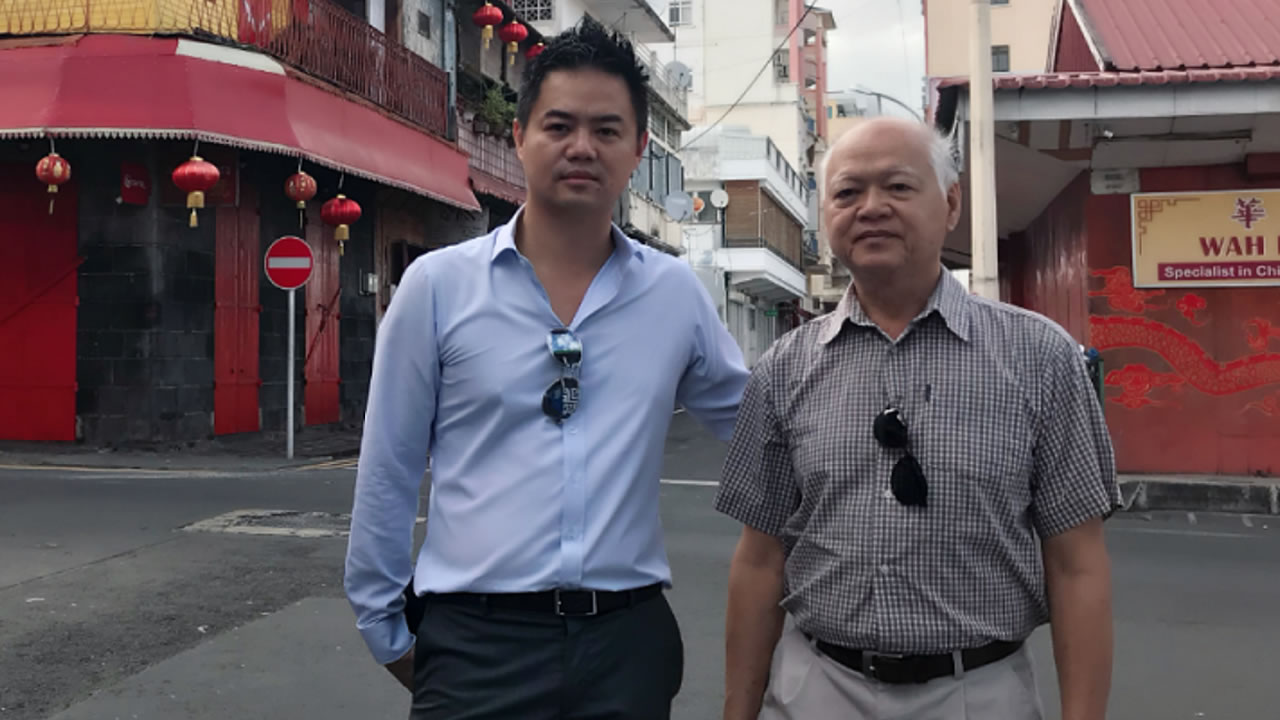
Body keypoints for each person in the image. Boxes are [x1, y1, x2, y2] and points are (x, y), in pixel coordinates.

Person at [343, 16, 749, 720]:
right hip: (474, 646)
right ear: (519, 134)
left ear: (638, 149)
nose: (581, 147)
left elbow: (759, 422)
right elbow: (388, 469)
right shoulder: (438, 288)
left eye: (607, 130)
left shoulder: (673, 294)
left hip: (627, 644)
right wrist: (388, 630)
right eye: (559, 126)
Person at [714, 116, 1121, 720]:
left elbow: (1077, 564)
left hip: (978, 692)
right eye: (847, 192)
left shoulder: (1041, 358)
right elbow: (759, 558)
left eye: (899, 187)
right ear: (825, 214)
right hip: (817, 688)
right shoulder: (783, 367)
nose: (871, 207)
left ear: (950, 203)